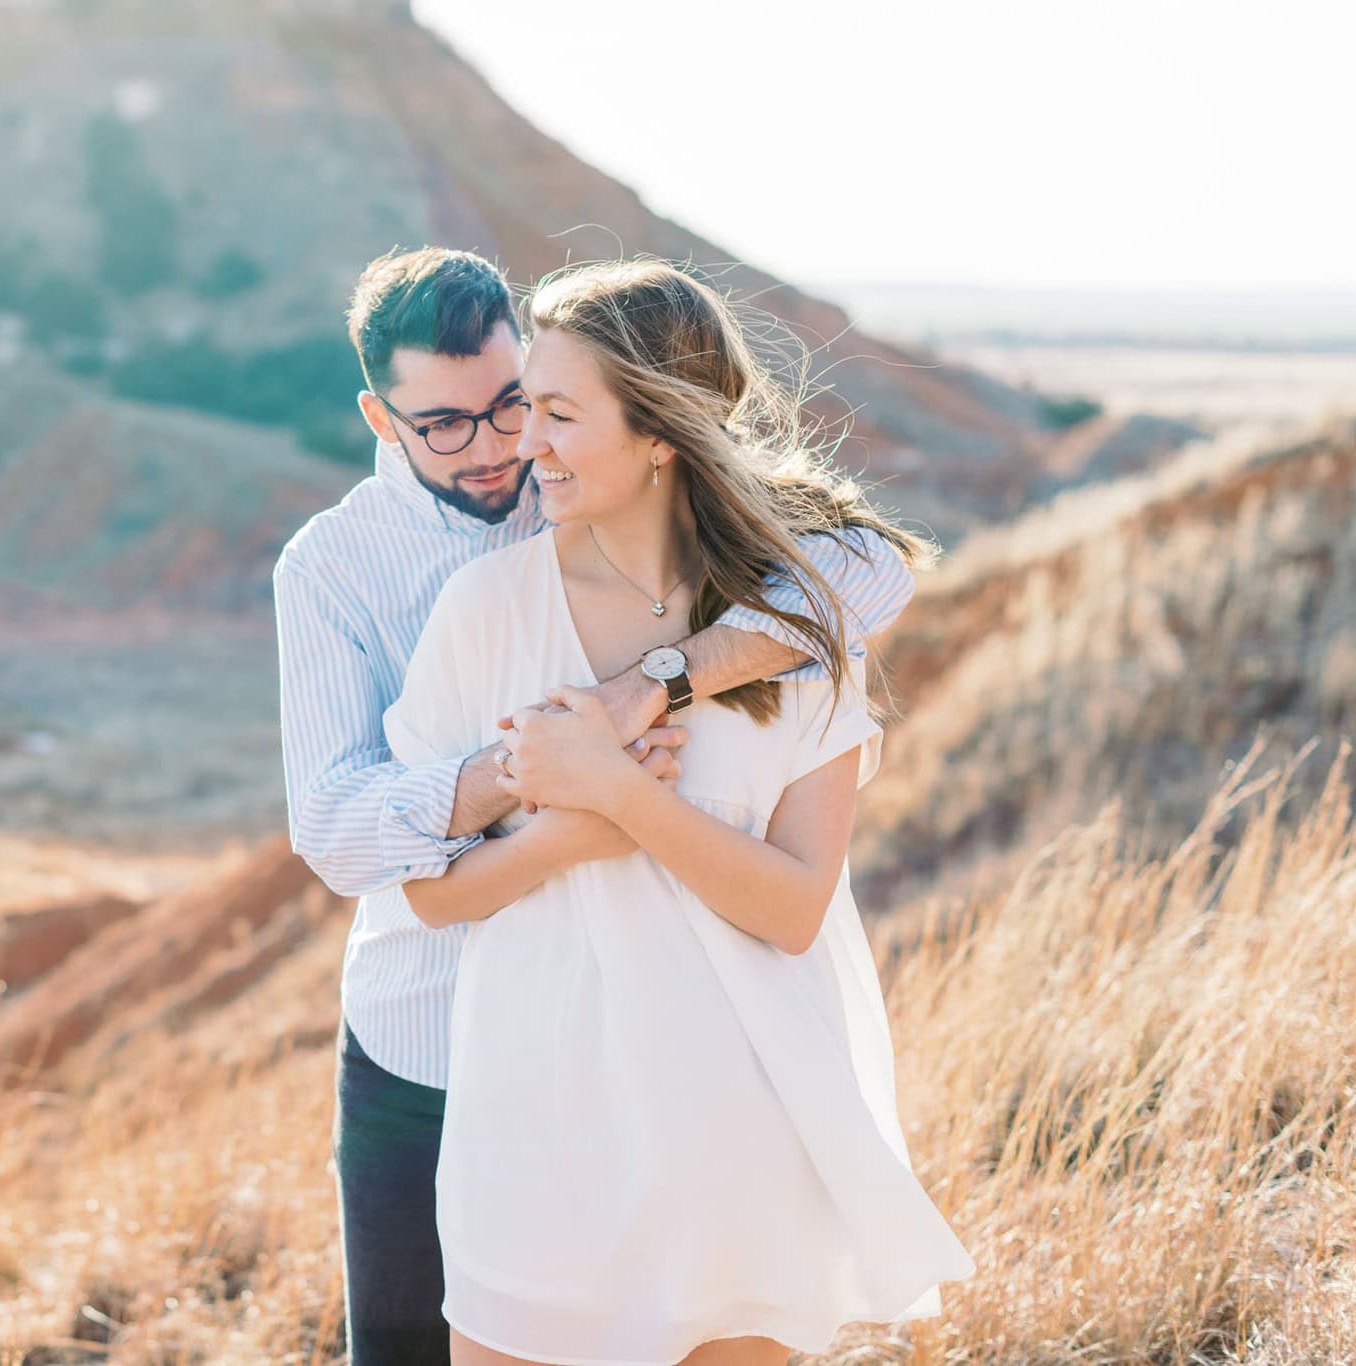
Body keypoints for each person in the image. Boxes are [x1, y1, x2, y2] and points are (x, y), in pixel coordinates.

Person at [273, 247, 924, 1366]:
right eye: (444, 426)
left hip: (669, 1039)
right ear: (380, 418)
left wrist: (649, 687)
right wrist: (533, 777)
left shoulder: (586, 471)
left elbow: (864, 573)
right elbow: (336, 830)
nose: (496, 447)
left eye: (511, 404)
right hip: (426, 1029)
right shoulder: (333, 566)